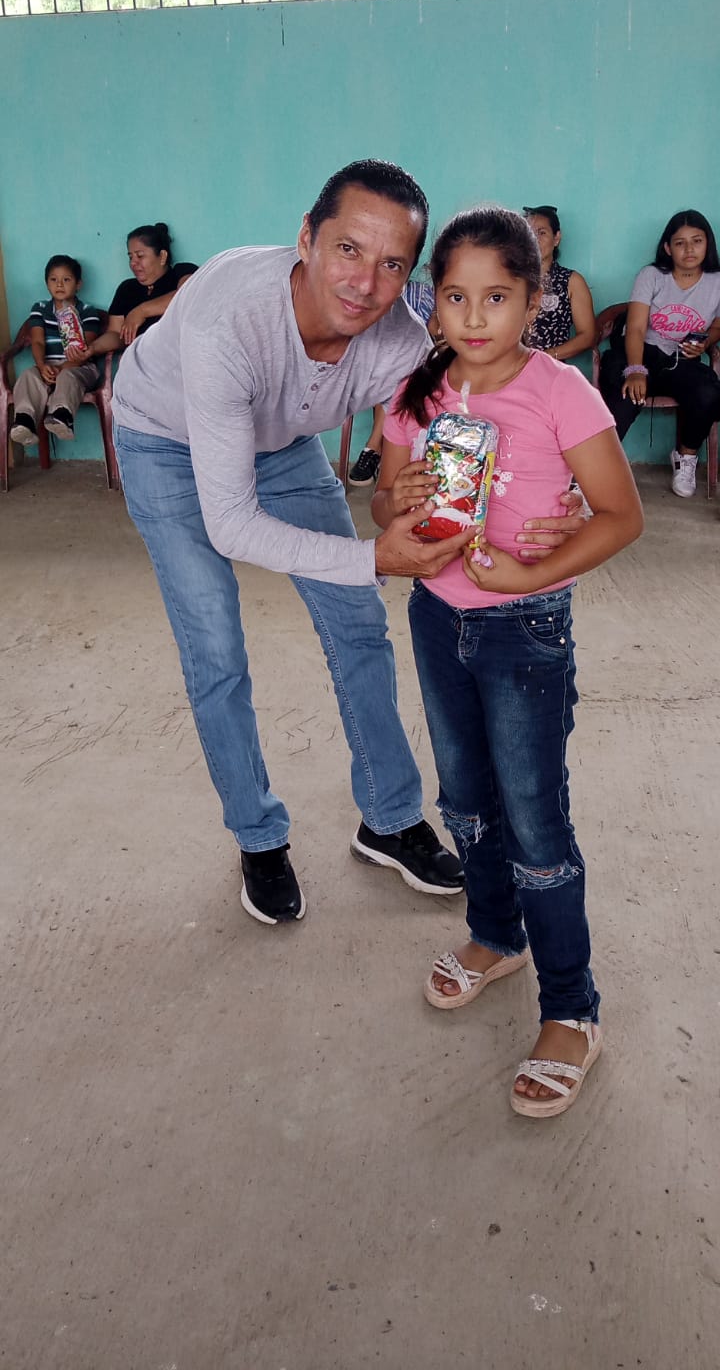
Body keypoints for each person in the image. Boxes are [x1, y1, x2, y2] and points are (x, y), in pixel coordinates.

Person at [111, 162, 585, 929]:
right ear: (307, 236)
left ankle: (389, 819)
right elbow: (232, 524)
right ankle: (259, 836)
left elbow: (486, 415)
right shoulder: (228, 318)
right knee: (215, 648)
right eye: (348, 250)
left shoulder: (399, 346)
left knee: (359, 623)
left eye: (393, 263)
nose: (366, 283)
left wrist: (564, 498)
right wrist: (374, 557)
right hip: (164, 439)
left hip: (282, 442)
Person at [373, 206, 643, 1117]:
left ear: (534, 302)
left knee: (534, 820)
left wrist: (533, 571)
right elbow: (385, 504)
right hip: (436, 616)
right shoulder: (417, 390)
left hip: (524, 630)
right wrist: (401, 502)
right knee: (463, 800)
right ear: (433, 303)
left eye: (497, 297)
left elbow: (621, 515)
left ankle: (571, 1008)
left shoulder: (560, 392)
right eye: (455, 296)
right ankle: (495, 935)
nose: (475, 316)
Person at [599, 209, 720, 498]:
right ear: (667, 248)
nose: (689, 249)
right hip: (641, 353)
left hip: (682, 360)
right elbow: (636, 328)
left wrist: (705, 342)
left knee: (708, 393)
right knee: (625, 395)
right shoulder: (652, 275)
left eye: (697, 241)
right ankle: (598, 472)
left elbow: (717, 325)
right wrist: (635, 370)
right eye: (680, 243)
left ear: (707, 244)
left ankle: (685, 457)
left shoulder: (717, 282)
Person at [348, 277, 440, 487]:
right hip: (386, 369)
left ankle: (373, 448)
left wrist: (438, 312)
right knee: (394, 378)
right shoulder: (372, 294)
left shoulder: (424, 294)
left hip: (421, 366)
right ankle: (375, 450)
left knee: (401, 380)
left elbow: (436, 333)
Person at [71, 222, 198, 365]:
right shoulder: (127, 289)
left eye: (140, 256)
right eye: (130, 257)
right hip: (141, 363)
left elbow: (188, 295)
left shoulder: (182, 272)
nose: (133, 263)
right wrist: (93, 348)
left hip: (179, 360)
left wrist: (141, 311)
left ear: (162, 256)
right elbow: (116, 333)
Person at [10, 255, 102, 445]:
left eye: (66, 279)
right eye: (53, 279)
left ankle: (62, 417)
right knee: (28, 375)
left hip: (80, 366)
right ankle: (25, 421)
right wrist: (42, 366)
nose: (59, 284)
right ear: (47, 284)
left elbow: (85, 349)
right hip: (48, 366)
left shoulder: (87, 311)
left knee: (67, 376)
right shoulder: (40, 308)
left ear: (78, 284)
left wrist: (62, 368)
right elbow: (37, 342)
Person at [522, 205, 596, 360]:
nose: (535, 239)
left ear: (556, 238)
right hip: (509, 367)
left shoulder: (571, 281)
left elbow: (587, 336)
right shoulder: (512, 279)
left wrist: (545, 357)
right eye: (529, 233)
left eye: (542, 232)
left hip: (550, 367)